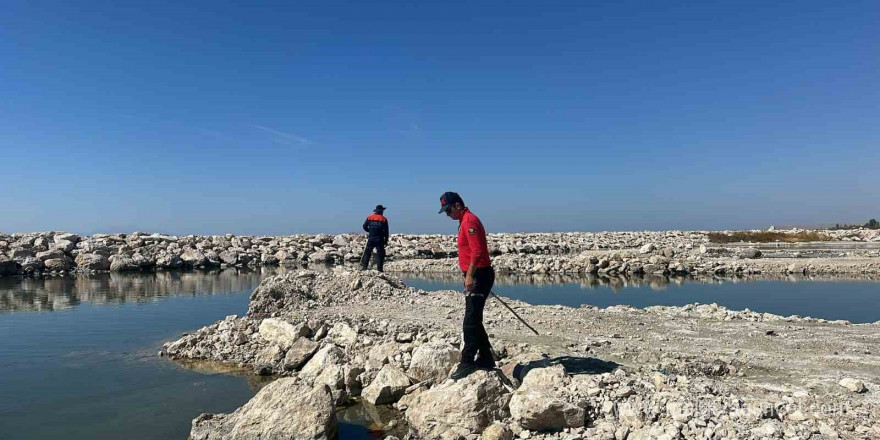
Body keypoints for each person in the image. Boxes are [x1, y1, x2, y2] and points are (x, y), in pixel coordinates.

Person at [438, 192, 496, 379]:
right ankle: (486, 357)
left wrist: (470, 275)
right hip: (475, 274)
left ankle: (467, 362)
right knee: (475, 318)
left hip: (479, 274)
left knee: (470, 321)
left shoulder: (469, 221)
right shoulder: (464, 221)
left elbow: (477, 251)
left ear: (457, 205)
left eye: (448, 210)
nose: (447, 214)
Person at [361, 205, 389, 272]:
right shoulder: (384, 219)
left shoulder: (369, 217)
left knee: (367, 253)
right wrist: (386, 241)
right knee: (380, 254)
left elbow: (364, 226)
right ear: (381, 211)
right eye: (382, 210)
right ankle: (380, 269)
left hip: (371, 238)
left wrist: (369, 231)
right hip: (379, 239)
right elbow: (386, 231)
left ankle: (364, 268)